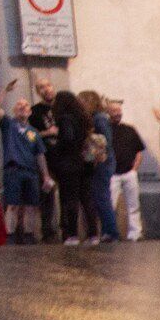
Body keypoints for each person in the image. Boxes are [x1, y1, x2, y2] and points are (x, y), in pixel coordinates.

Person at [0, 91, 53, 242]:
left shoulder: (33, 132)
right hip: (13, 170)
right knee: (12, 205)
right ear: (14, 110)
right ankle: (10, 236)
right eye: (18, 105)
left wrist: (45, 175)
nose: (22, 107)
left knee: (31, 206)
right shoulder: (8, 124)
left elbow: (40, 155)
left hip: (31, 172)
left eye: (25, 105)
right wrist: (5, 91)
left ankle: (29, 235)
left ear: (30, 111)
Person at [46, 90, 96, 244]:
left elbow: (67, 139)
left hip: (69, 164)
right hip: (84, 163)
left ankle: (73, 234)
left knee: (70, 199)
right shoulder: (83, 117)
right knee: (86, 199)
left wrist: (55, 148)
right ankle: (93, 234)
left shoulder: (65, 119)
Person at [80, 90, 119, 243]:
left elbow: (105, 140)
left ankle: (111, 231)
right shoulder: (97, 117)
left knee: (102, 197)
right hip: (102, 161)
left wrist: (98, 156)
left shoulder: (99, 118)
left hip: (102, 161)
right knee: (99, 197)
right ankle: (107, 230)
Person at [107, 101, 147, 241]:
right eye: (114, 111)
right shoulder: (105, 130)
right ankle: (110, 232)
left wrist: (134, 169)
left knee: (133, 204)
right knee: (110, 204)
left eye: (119, 110)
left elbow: (139, 151)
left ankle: (135, 233)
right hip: (112, 175)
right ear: (108, 112)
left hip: (129, 172)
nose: (118, 113)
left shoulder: (129, 130)